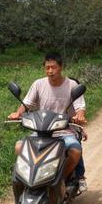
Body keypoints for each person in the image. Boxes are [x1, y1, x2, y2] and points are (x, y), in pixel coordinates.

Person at [8, 52, 88, 192]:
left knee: (75, 150)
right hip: (41, 130)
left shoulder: (71, 85)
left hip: (64, 130)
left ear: (61, 67)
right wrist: (18, 113)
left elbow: (80, 107)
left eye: (54, 67)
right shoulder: (38, 84)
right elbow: (27, 103)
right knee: (19, 147)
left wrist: (80, 116)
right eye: (47, 68)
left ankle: (60, 180)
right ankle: (29, 178)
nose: (50, 71)